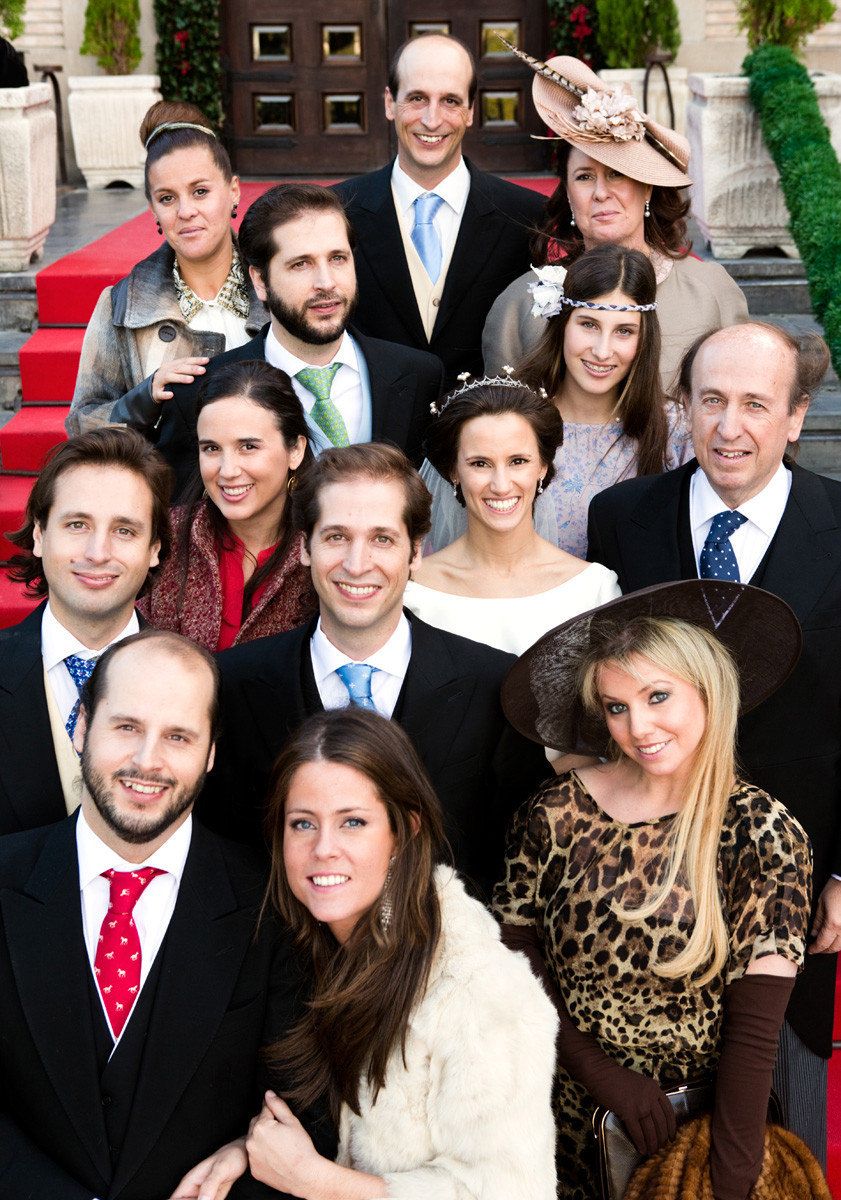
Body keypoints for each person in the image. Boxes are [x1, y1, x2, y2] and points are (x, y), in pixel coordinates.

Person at [587, 322, 840, 1167]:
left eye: (755, 405)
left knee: (784, 1137)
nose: (729, 427)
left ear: (796, 417)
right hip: (646, 886)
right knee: (649, 1147)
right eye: (711, 401)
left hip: (799, 889)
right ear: (682, 408)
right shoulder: (621, 517)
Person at [494, 580, 811, 1200]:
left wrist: (727, 1182)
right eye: (616, 707)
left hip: (697, 1131)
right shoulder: (557, 811)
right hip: (550, 1123)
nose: (637, 727)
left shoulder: (761, 831)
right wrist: (597, 1070)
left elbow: (753, 1038)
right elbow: (512, 946)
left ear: (708, 689)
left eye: (657, 696)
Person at [0, 628, 334, 1197]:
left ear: (210, 754)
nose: (146, 761)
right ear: (81, 726)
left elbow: (302, 1113)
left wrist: (248, 1154)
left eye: (178, 736)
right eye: (126, 727)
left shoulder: (276, 904)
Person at [177, 706, 558, 1200]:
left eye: (353, 822)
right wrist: (249, 1150)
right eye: (302, 824)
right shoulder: (298, 955)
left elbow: (509, 1192)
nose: (323, 848)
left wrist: (318, 1183)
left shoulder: (480, 991)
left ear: (404, 831)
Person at [200, 443, 551, 898]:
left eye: (382, 539)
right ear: (304, 546)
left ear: (415, 552)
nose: (357, 564)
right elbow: (220, 854)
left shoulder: (495, 686)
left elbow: (516, 864)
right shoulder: (232, 684)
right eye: (336, 537)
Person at [113, 183, 444, 497]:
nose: (326, 282)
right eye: (301, 264)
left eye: (337, 258)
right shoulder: (196, 395)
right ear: (259, 281)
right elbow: (180, 517)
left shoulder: (420, 376)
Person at [482, 51, 748, 395]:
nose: (601, 193)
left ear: (647, 186)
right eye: (584, 176)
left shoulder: (712, 293)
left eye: (617, 174)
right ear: (568, 193)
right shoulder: (519, 304)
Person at [425, 244, 692, 557]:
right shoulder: (513, 417)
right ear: (562, 323)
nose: (602, 351)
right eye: (589, 325)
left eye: (624, 331)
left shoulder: (674, 429)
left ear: (644, 338)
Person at [332, 32, 545, 388]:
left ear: (471, 111)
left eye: (450, 101)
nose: (432, 120)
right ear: (389, 103)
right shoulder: (336, 211)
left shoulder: (528, 215)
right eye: (417, 98)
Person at [1, 428, 171, 836]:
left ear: (154, 548)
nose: (97, 553)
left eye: (124, 530)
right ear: (39, 535)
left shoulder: (202, 685)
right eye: (77, 524)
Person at [66, 99, 267, 437]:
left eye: (200, 191)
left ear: (233, 191)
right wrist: (142, 400)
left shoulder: (276, 284)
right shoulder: (120, 305)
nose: (185, 211)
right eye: (167, 198)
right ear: (153, 209)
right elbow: (82, 425)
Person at [406, 375, 620, 655]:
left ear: (543, 466)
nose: (501, 486)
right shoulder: (413, 590)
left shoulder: (593, 590)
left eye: (518, 461)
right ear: (453, 472)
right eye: (480, 463)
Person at [138, 359, 317, 651]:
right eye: (211, 448)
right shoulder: (165, 534)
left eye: (248, 447)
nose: (228, 470)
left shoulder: (325, 544)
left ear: (295, 450)